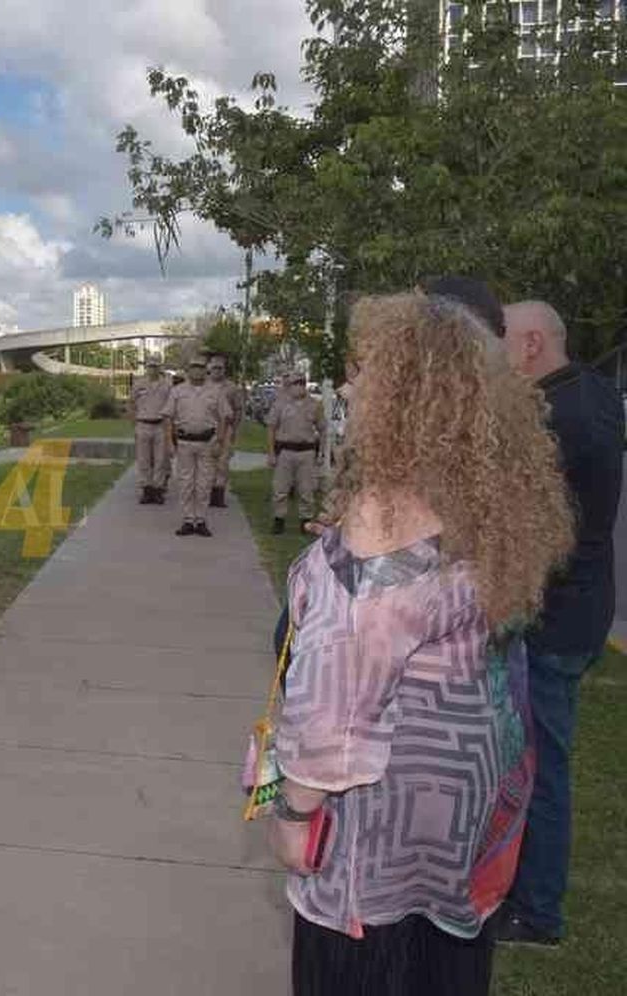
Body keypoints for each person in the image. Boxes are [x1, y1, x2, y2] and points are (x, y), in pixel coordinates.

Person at [269, 292, 573, 995]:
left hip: (377, 819)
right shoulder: (479, 497)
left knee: (363, 969)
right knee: (440, 964)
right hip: (459, 806)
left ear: (408, 393)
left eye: (364, 369)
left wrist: (295, 812)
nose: (348, 385)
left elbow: (336, 704)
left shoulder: (387, 515)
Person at [494, 300, 625, 946]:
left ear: (534, 344)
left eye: (505, 343)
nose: (498, 356)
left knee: (540, 768)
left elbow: (538, 530)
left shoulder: (555, 417)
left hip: (556, 615)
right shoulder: (594, 394)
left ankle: (538, 910)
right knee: (529, 759)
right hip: (582, 606)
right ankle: (522, 887)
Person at [163, 356, 232, 536]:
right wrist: (169, 443)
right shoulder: (177, 391)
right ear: (188, 370)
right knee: (185, 482)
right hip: (185, 442)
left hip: (207, 443)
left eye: (201, 367)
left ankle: (200, 520)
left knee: (204, 483)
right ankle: (187, 519)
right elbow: (168, 418)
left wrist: (220, 441)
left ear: (205, 370)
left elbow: (224, 417)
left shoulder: (216, 392)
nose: (197, 370)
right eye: (193, 367)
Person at [266, 373, 325, 534]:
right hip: (285, 451)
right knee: (280, 488)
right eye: (295, 383)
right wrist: (271, 453)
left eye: (301, 383)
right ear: (289, 386)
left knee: (306, 490)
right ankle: (279, 520)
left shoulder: (314, 405)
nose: (299, 386)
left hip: (306, 452)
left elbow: (322, 429)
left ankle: (305, 521)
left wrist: (321, 453)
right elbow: (271, 428)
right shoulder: (280, 404)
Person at [130, 357, 172, 504]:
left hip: (160, 425)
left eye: (155, 366)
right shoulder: (138, 384)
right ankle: (146, 490)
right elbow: (132, 404)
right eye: (150, 366)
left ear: (159, 367)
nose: (152, 369)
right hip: (142, 424)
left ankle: (158, 490)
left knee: (161, 459)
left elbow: (171, 406)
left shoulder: (167, 385)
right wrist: (134, 424)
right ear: (146, 368)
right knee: (143, 459)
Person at [207, 353, 244, 508]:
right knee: (208, 463)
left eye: (220, 368)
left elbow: (238, 410)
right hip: (207, 429)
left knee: (222, 463)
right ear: (209, 368)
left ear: (224, 370)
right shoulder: (203, 385)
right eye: (214, 367)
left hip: (226, 428)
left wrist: (234, 430)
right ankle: (208, 494)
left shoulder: (232, 387)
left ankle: (219, 495)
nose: (217, 371)